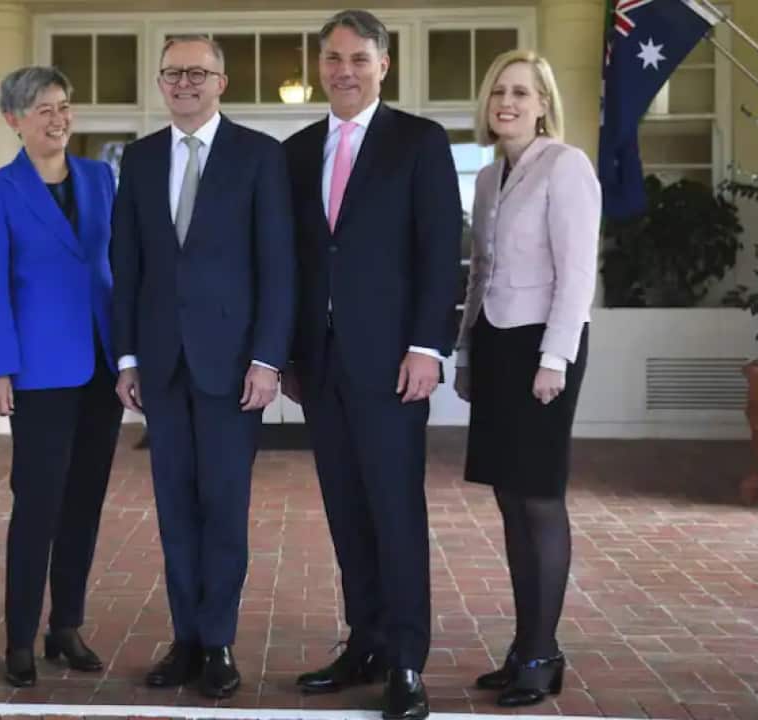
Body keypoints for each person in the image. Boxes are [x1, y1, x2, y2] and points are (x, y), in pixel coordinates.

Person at [281, 10, 460, 720]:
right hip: (320, 366)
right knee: (346, 511)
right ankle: (367, 641)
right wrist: (292, 353)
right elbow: (296, 262)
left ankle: (407, 662)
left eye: (358, 58)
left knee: (394, 510)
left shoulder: (418, 142)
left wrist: (427, 346)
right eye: (332, 58)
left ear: (384, 66)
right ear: (319, 65)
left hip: (392, 365)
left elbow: (439, 251)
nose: (344, 71)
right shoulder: (295, 152)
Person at [110, 34, 294, 699]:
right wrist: (126, 355)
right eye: (173, 73)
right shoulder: (137, 158)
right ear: (161, 83)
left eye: (198, 72)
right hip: (159, 365)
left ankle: (218, 643)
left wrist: (268, 358)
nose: (185, 82)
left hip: (232, 367)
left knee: (223, 506)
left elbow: (279, 268)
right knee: (174, 510)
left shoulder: (259, 157)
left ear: (222, 81)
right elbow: (125, 267)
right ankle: (185, 638)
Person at [453, 49, 599, 708]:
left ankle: (543, 651)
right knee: (510, 499)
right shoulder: (489, 178)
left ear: (543, 104)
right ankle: (523, 647)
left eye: (520, 93)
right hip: (496, 345)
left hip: (543, 347)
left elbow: (577, 275)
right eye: (498, 93)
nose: (506, 103)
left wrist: (554, 359)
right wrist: (464, 353)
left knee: (539, 498)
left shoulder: (567, 168)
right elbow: (480, 273)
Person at [0, 66, 123, 688]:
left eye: (63, 106)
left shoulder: (99, 177)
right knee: (37, 506)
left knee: (84, 503)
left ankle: (66, 627)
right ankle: (19, 639)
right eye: (42, 109)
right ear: (14, 120)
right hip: (37, 371)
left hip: (102, 366)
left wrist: (131, 357)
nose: (58, 118)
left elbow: (119, 265)